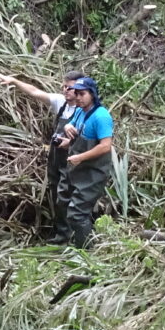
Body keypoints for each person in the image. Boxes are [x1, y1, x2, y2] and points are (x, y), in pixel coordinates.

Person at [0, 70, 85, 243]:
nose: (65, 90)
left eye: (70, 88)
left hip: (74, 159)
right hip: (56, 157)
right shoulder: (61, 103)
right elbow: (34, 92)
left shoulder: (86, 110)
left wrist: (72, 144)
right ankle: (61, 233)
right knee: (56, 194)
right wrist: (14, 81)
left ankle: (72, 236)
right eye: (64, 86)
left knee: (68, 195)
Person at [55, 77, 114, 248]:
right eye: (76, 93)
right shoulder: (81, 111)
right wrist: (67, 129)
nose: (78, 98)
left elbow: (105, 146)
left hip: (93, 172)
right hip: (77, 169)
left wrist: (79, 157)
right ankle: (78, 240)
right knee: (65, 202)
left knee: (77, 213)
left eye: (82, 94)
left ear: (92, 94)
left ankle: (86, 252)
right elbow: (72, 127)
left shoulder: (101, 117)